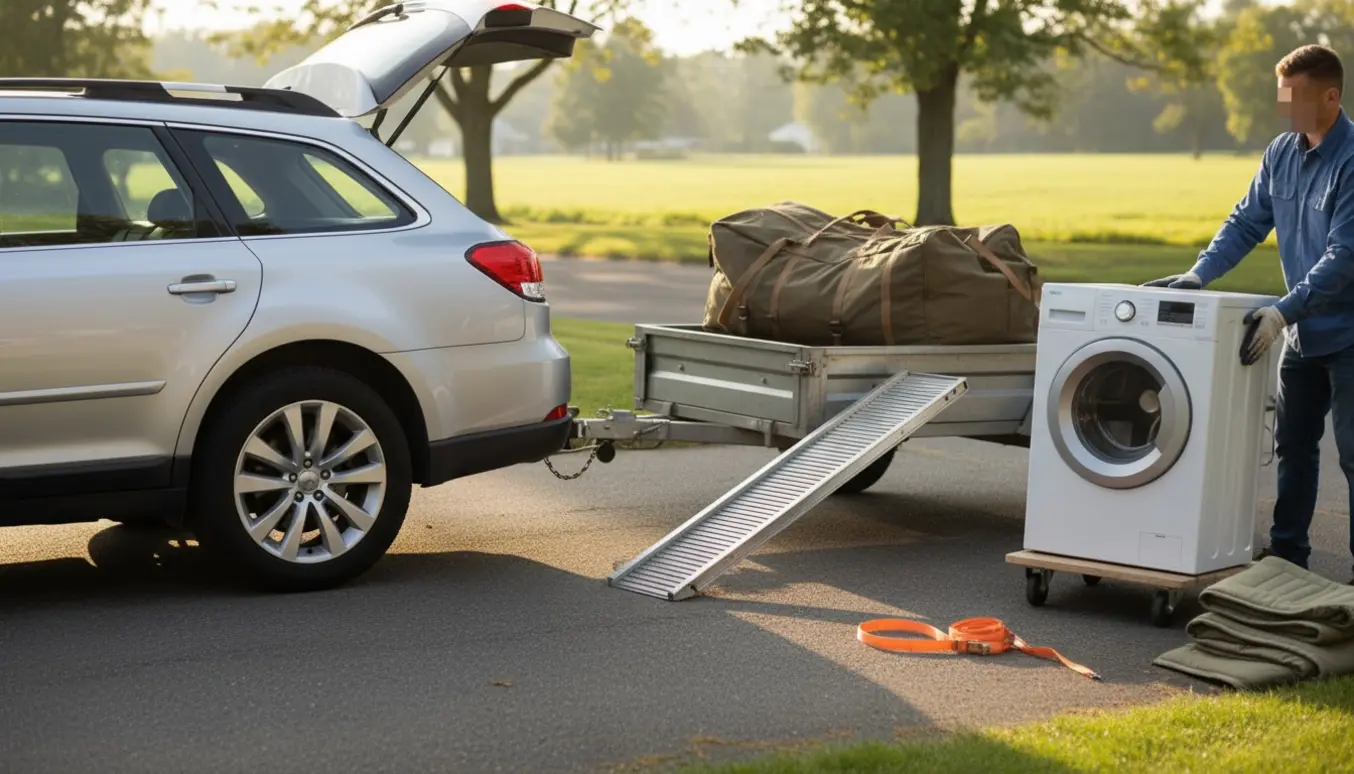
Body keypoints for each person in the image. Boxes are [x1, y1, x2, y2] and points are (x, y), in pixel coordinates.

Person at [1143, 43, 1354, 582]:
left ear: (1331, 97)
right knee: (1293, 447)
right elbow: (1245, 223)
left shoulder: (1352, 162)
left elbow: (1344, 256)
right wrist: (1199, 274)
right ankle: (1287, 557)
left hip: (1347, 333)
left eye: (1295, 97)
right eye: (1282, 96)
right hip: (1303, 333)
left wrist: (1281, 312)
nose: (1284, 108)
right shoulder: (1281, 152)